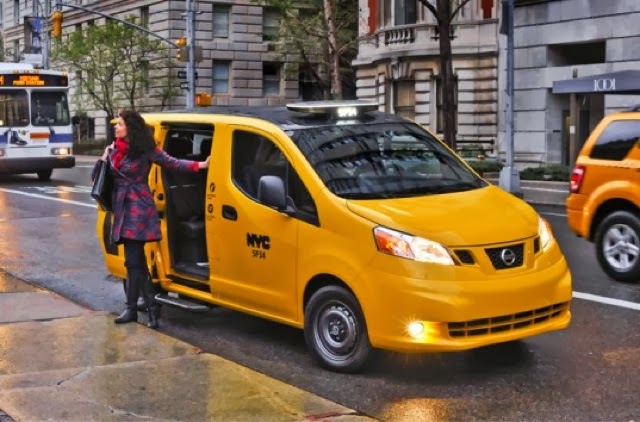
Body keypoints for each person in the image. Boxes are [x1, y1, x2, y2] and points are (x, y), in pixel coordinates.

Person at [93, 110, 210, 329]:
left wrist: (200, 165)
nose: (116, 127)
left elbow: (173, 163)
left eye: (120, 124)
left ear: (131, 128)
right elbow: (97, 177)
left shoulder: (146, 150)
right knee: (136, 262)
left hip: (139, 207)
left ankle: (132, 309)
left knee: (132, 260)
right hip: (122, 207)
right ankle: (151, 307)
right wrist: (104, 155)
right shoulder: (114, 150)